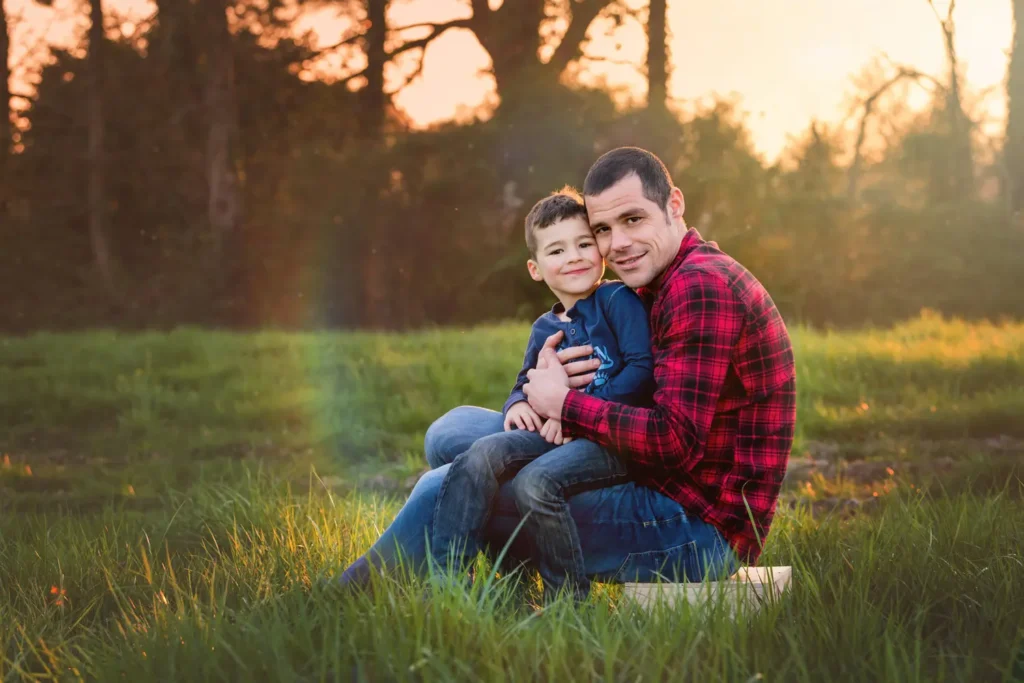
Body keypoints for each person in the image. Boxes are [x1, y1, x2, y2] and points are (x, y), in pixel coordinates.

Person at [338, 147, 796, 600]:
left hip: (694, 528)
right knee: (450, 432)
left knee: (443, 484)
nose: (616, 244)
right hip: (645, 471)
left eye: (633, 220)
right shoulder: (656, 281)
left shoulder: (698, 287)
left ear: (673, 204)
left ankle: (351, 593)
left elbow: (674, 441)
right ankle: (505, 577)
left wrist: (566, 405)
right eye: (602, 229)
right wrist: (539, 393)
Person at [430, 187, 655, 601]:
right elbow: (523, 383)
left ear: (601, 252)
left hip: (610, 441)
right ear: (536, 268)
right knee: (479, 455)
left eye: (584, 243)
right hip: (552, 434)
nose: (573, 256)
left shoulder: (617, 301)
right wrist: (517, 404)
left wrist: (574, 410)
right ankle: (448, 585)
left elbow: (642, 370)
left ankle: (566, 600)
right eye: (557, 251)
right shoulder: (542, 328)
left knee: (532, 485)